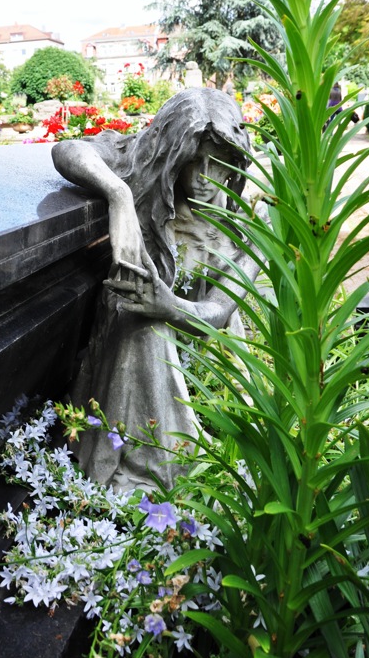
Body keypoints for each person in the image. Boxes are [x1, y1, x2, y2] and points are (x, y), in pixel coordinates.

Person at [51, 87, 266, 490]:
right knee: (142, 326)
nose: (204, 177)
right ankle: (159, 476)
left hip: (207, 340)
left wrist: (168, 305)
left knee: (151, 321)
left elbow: (218, 313)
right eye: (193, 161)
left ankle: (177, 479)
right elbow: (68, 150)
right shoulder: (147, 172)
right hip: (137, 335)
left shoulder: (252, 218)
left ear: (234, 161)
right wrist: (119, 194)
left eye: (217, 162)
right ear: (173, 156)